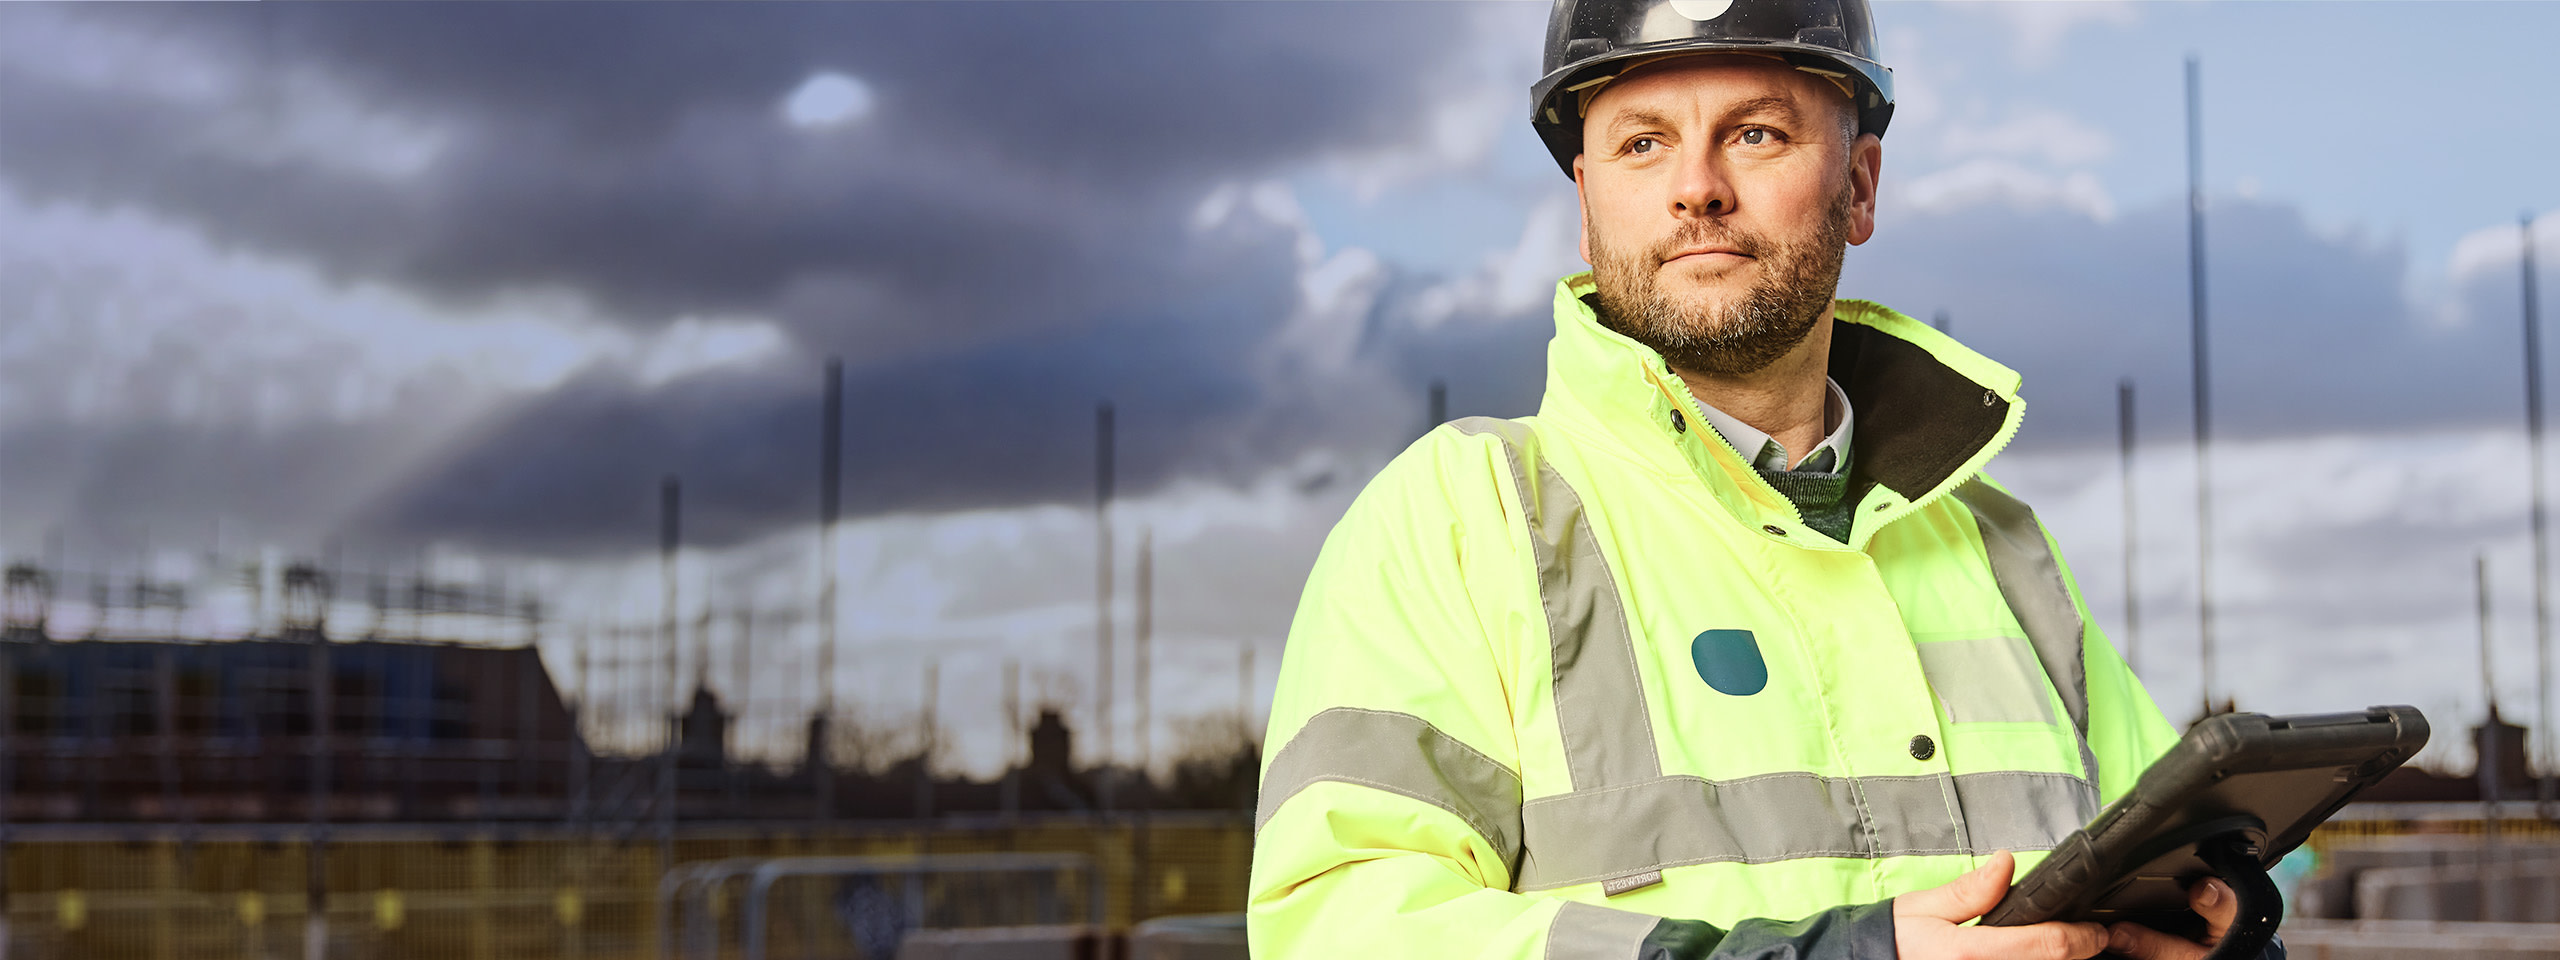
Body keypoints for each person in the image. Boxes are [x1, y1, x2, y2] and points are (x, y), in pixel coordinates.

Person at [1246, 2, 2273, 958]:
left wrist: (2221, 930)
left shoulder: (2001, 552)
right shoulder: (1463, 518)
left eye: (1756, 134)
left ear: (1860, 187)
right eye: (1642, 141)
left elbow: (2170, 869)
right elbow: (1339, 923)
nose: (1697, 187)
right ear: (1586, 204)